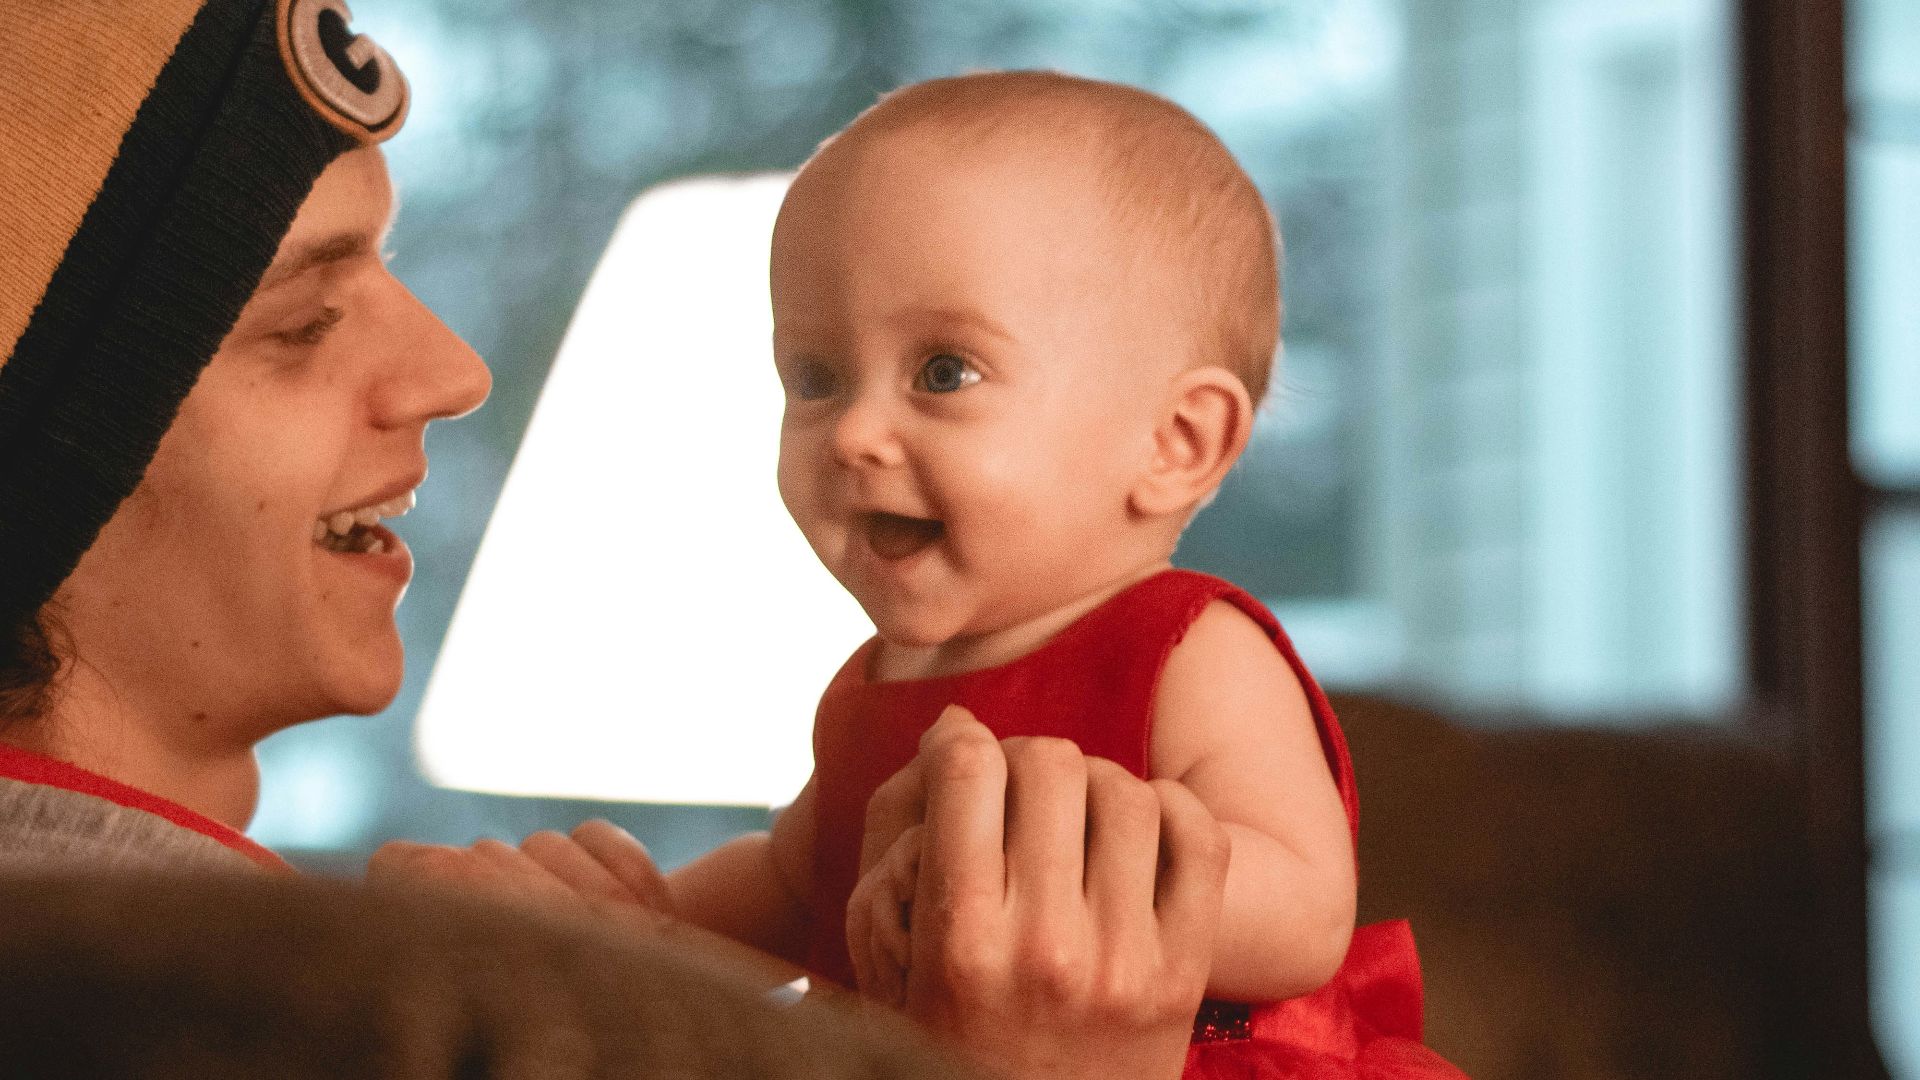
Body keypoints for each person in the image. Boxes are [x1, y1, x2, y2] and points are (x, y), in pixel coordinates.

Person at [0, 6, 1230, 1079]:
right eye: (305, 322)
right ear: (61, 460)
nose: (454, 369)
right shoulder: (201, 1021)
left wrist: (630, 987)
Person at [649, 72, 1466, 1078]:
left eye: (944, 372)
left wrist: (1015, 880)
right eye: (814, 377)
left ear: (1173, 443)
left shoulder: (1192, 650)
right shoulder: (876, 679)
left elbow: (1302, 913)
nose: (854, 433)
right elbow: (792, 885)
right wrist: (641, 916)